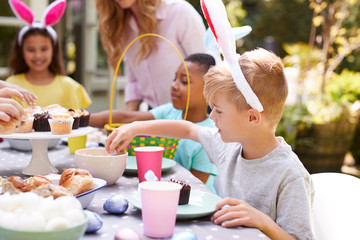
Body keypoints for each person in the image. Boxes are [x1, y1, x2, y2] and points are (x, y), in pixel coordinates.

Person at [105, 48, 315, 240]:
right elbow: (187, 129)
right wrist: (135, 128)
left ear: (252, 118)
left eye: (219, 111)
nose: (212, 117)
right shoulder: (229, 146)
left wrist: (262, 221)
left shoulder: (290, 175)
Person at [90, 53, 217, 190]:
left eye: (184, 81)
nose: (174, 86)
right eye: (174, 79)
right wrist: (84, 118)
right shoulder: (169, 111)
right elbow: (127, 118)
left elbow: (194, 188)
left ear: (207, 90)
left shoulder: (208, 137)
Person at [96, 0, 206, 111]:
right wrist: (124, 122)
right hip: (156, 115)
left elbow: (206, 72)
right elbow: (134, 83)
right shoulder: (124, 25)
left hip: (194, 115)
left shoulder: (180, 13)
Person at [6, 0, 91, 110]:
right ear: (21, 52)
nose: (38, 55)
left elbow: (81, 122)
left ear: (54, 50)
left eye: (44, 49)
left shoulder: (69, 87)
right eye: (31, 50)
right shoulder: (11, 85)